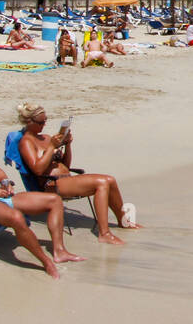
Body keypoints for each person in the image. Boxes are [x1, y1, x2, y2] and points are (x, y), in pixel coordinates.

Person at [0, 109, 84, 278]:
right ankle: (46, 262)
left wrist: (5, 182)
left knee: (54, 200)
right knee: (17, 218)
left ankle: (59, 251)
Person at [17, 103, 141, 245]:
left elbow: (66, 165)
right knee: (101, 182)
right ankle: (104, 233)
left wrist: (67, 145)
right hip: (51, 184)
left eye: (45, 120)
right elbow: (37, 169)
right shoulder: (26, 142)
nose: (44, 124)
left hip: (66, 179)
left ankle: (123, 222)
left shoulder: (45, 137)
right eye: (41, 122)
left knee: (109, 180)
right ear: (29, 121)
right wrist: (52, 147)